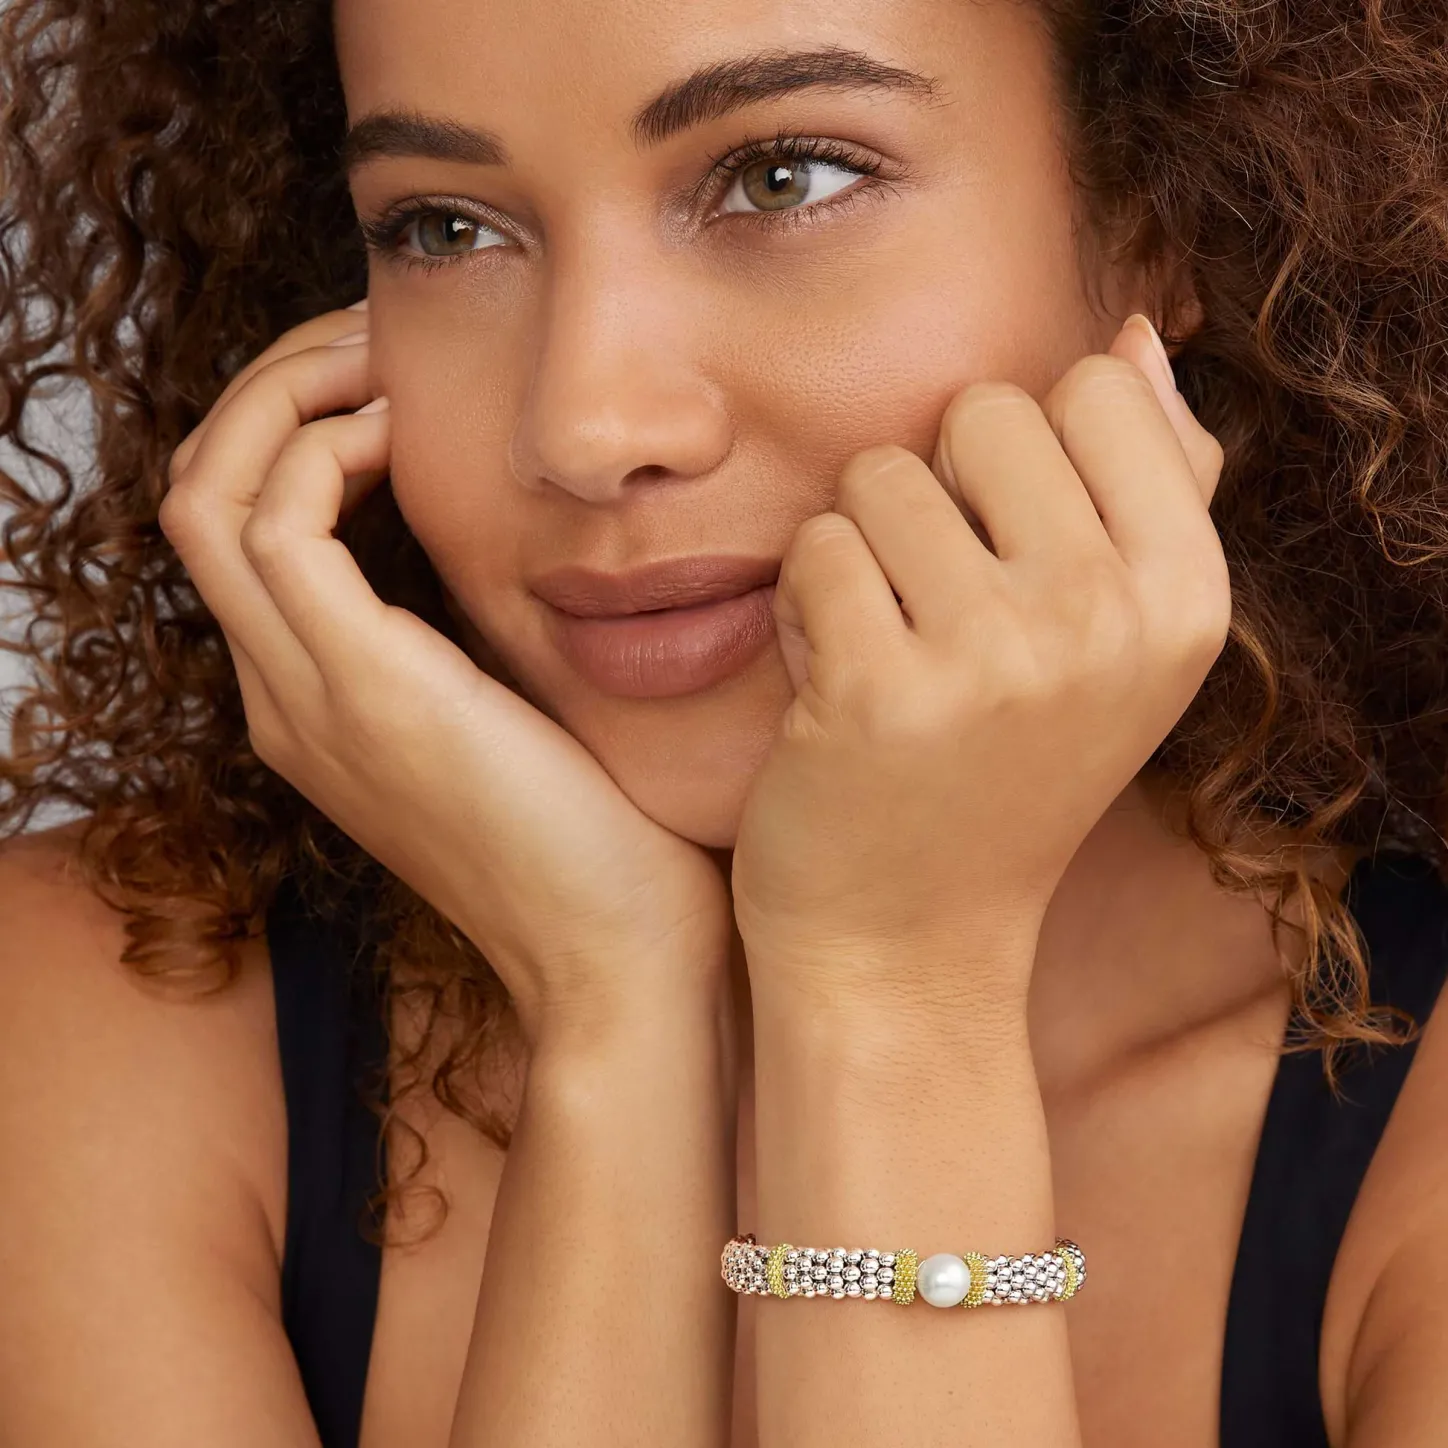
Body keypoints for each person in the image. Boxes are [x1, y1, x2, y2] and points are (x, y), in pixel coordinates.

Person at [1, 0, 1446, 1443]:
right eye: (444, 228)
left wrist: (894, 990)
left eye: (780, 179)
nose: (585, 428)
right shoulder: (107, 1019)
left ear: (1156, 221)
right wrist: (613, 1004)